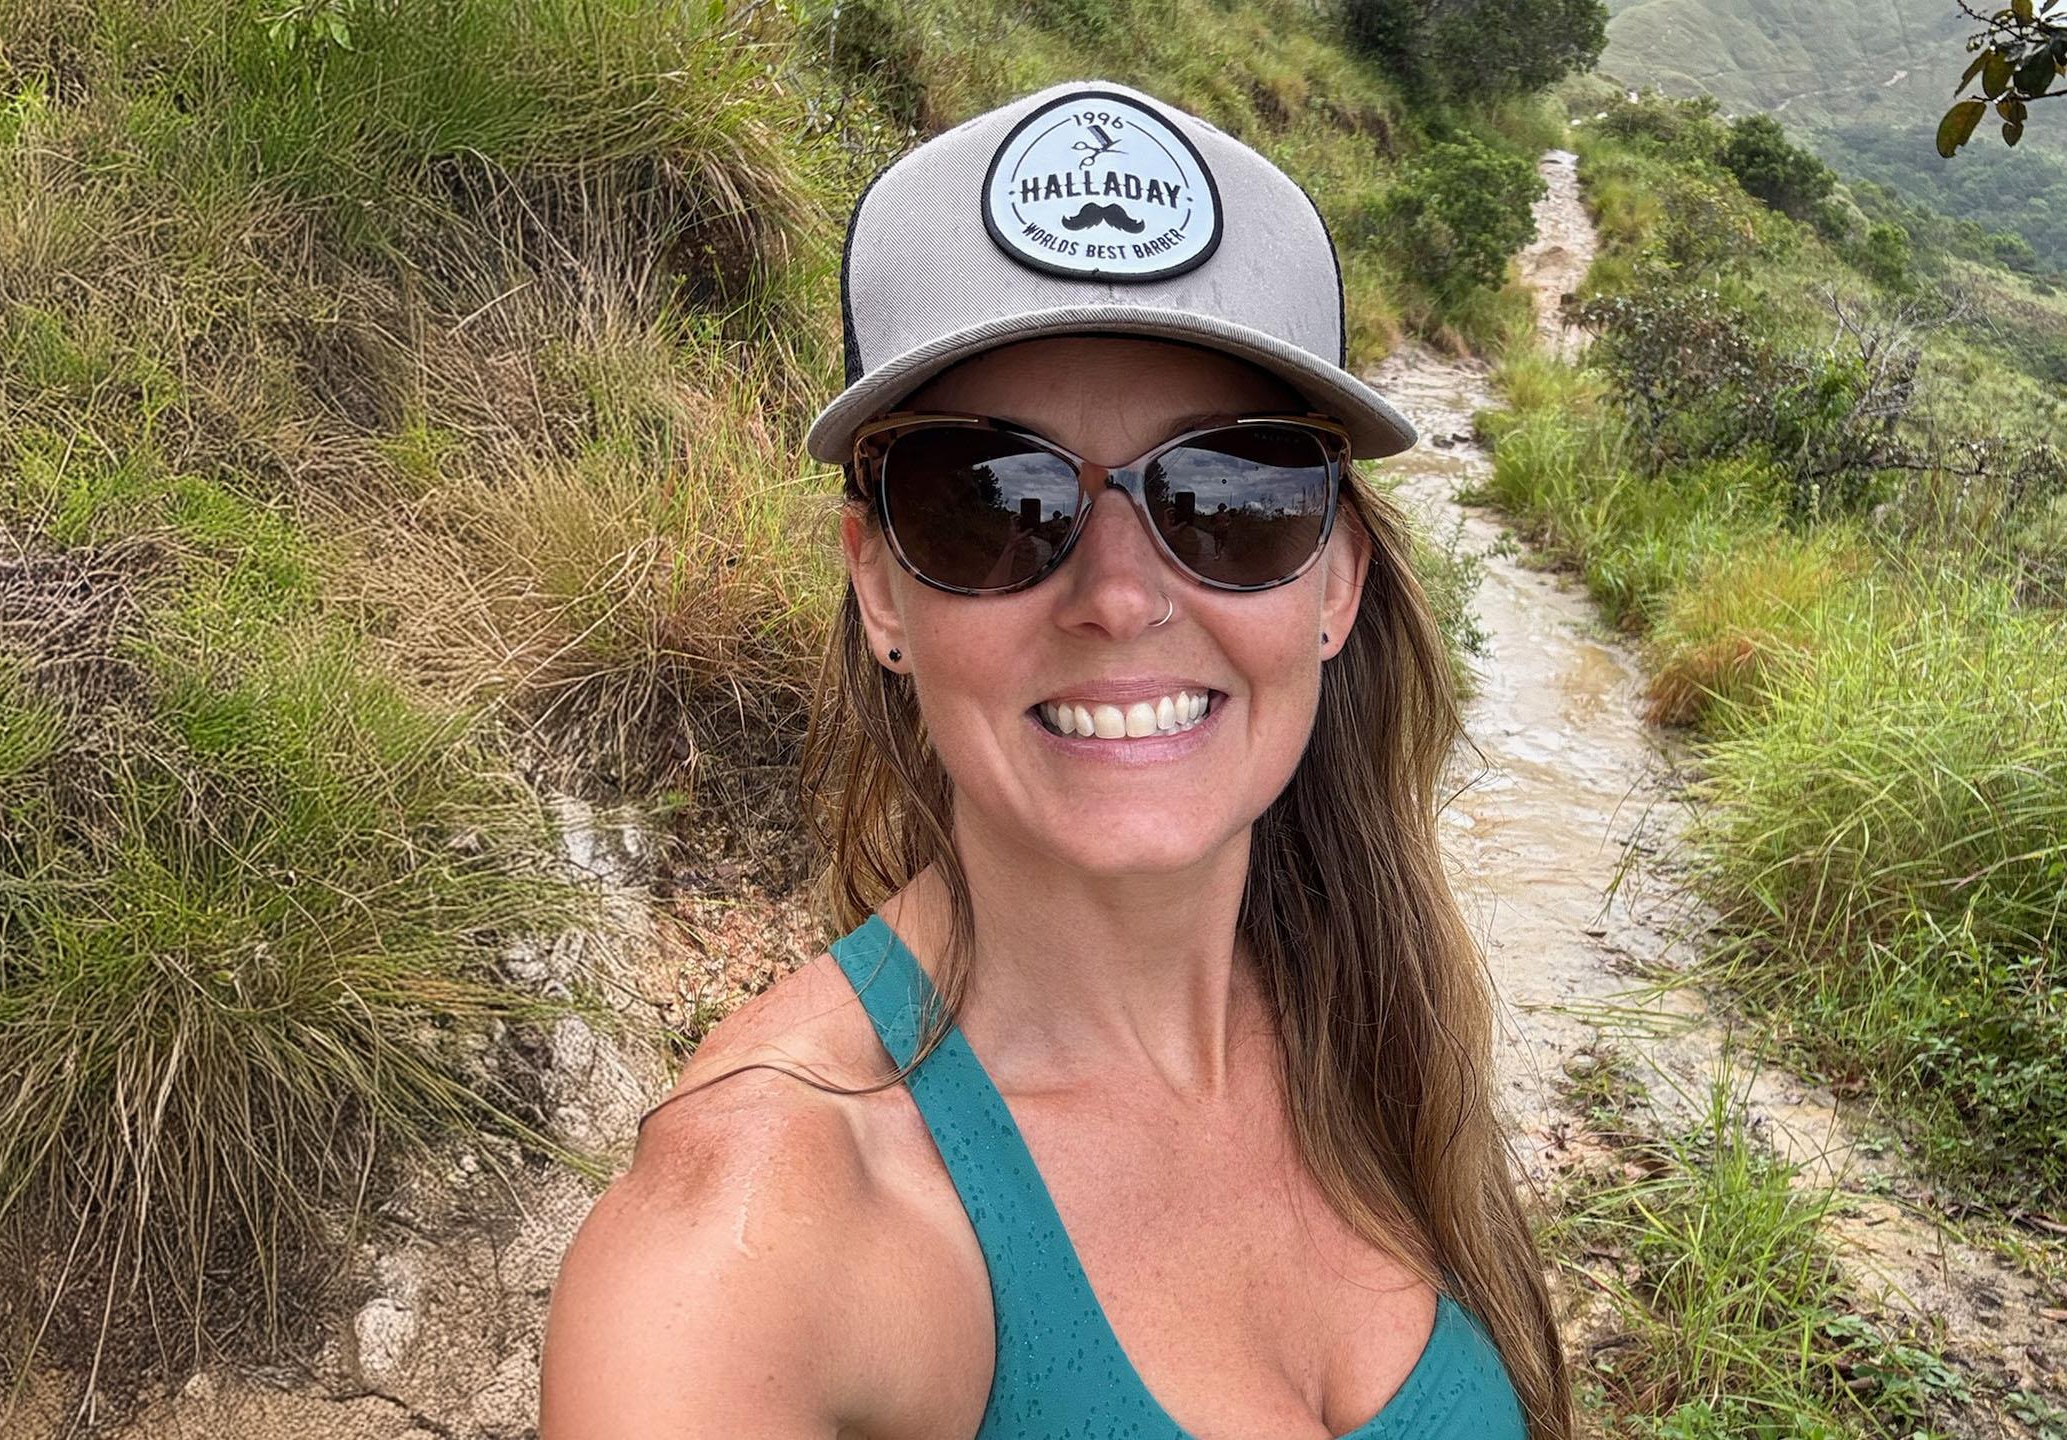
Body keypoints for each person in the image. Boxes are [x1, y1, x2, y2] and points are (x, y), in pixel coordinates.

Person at [540, 78, 1570, 1439]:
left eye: (1231, 494)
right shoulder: (751, 1240)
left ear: (1336, 582)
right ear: (880, 587)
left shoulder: (1375, 1010)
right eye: (994, 502)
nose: (1122, 598)